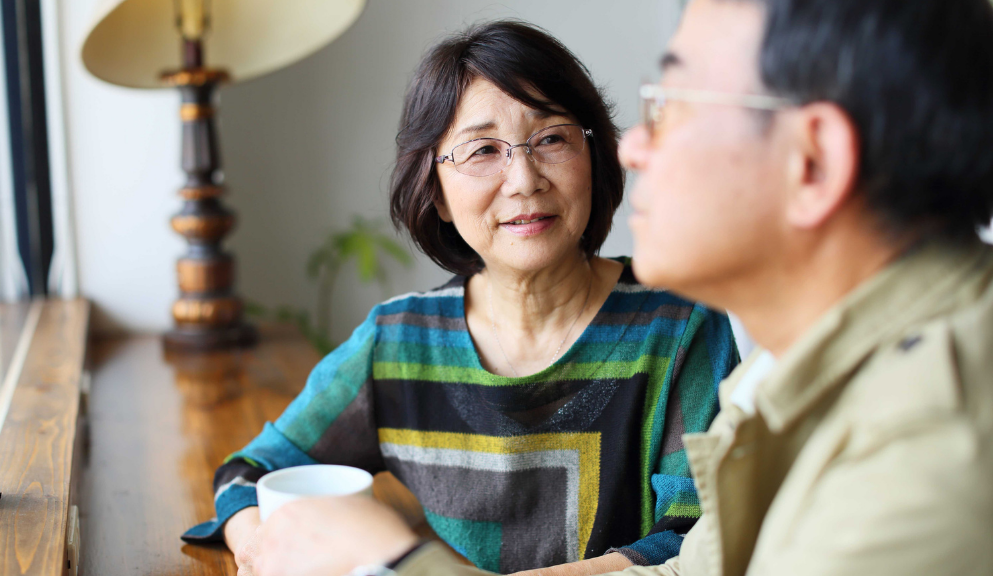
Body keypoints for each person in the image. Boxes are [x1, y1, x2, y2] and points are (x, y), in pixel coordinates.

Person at [244, 0, 993, 575]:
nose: (632, 147)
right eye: (482, 151)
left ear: (813, 162)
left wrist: (395, 562)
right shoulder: (789, 377)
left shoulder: (929, 454)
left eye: (675, 102)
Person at [181, 20, 739, 576]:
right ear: (437, 193)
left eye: (550, 138)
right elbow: (248, 472)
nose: (523, 178)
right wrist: (254, 548)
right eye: (482, 151)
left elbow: (697, 544)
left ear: (593, 157)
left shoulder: (682, 325)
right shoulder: (399, 342)